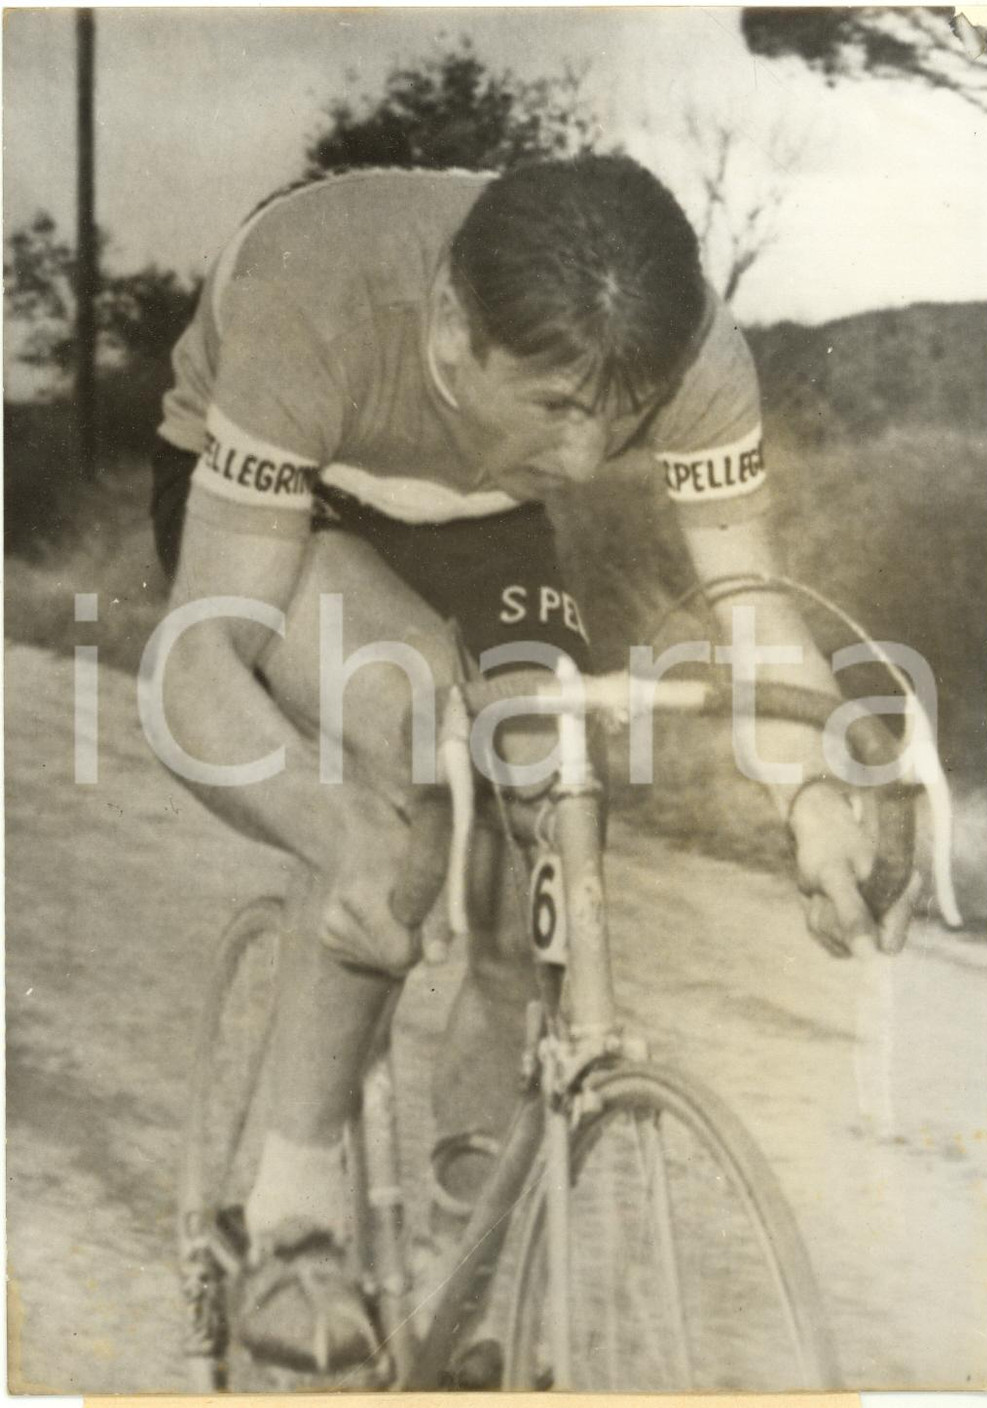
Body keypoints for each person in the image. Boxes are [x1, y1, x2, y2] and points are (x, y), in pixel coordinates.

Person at [150, 155, 916, 1372]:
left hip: (482, 519)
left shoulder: (685, 348)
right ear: (454, 329)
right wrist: (331, 829)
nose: (587, 455)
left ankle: (476, 1223)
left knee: (552, 799)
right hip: (289, 492)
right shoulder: (324, 295)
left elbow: (755, 610)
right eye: (558, 405)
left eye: (621, 419)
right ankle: (295, 1215)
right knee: (408, 745)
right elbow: (195, 664)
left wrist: (813, 787)